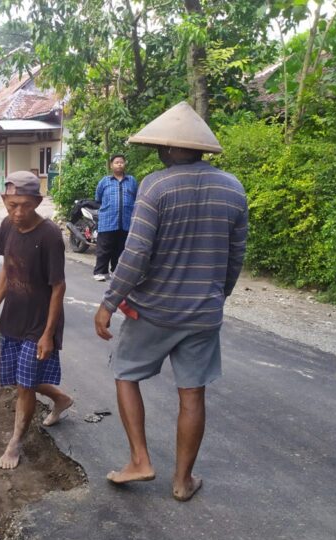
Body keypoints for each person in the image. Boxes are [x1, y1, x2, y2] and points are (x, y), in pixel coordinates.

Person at [93, 101, 248, 501]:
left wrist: (109, 302)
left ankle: (140, 460)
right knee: (192, 393)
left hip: (155, 310)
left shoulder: (156, 186)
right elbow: (236, 256)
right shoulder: (233, 188)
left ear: (167, 149)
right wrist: (218, 296)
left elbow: (136, 253)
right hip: (203, 313)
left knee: (126, 373)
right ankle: (182, 482)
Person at [0, 171, 73, 470]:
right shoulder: (7, 225)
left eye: (25, 205)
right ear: (5, 201)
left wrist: (48, 334)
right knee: (20, 378)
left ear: (38, 201)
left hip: (39, 323)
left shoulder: (49, 236)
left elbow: (58, 287)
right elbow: (7, 270)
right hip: (14, 317)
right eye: (12, 205)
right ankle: (61, 399)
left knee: (24, 385)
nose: (18, 212)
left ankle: (15, 442)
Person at [93, 155, 139, 281]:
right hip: (107, 220)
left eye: (121, 162)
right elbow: (98, 198)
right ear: (111, 165)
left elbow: (136, 198)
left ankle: (115, 271)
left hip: (126, 221)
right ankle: (100, 272)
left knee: (120, 248)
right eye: (116, 162)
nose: (119, 164)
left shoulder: (132, 181)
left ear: (125, 165)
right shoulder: (104, 181)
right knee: (104, 248)